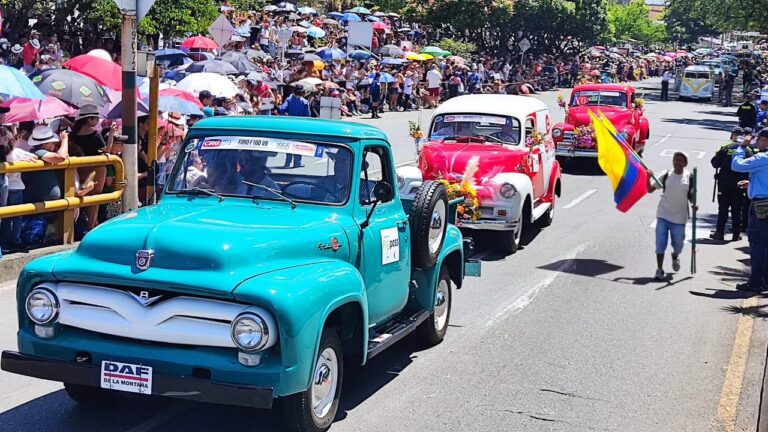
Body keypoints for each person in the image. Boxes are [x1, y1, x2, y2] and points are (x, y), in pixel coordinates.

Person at [647, 152, 696, 280]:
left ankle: (675, 255)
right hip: (663, 214)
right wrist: (648, 177)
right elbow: (650, 190)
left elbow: (691, 197)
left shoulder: (690, 177)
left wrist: (694, 205)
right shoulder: (666, 174)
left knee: (678, 245)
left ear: (685, 163)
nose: (677, 163)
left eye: (680, 161)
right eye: (675, 160)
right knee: (660, 244)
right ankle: (659, 269)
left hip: (679, 218)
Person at [731, 128, 768, 291]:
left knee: (757, 244)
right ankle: (765, 281)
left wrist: (740, 148)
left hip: (761, 205)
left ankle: (755, 282)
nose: (756, 142)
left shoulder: (762, 157)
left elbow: (737, 165)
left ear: (766, 141)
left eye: (759, 139)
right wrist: (752, 184)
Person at [70, 104, 114, 230]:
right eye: (95, 118)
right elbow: (107, 151)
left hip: (78, 171)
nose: (97, 121)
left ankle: (91, 224)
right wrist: (111, 134)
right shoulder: (95, 134)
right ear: (89, 119)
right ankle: (91, 225)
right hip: (96, 170)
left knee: (82, 196)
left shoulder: (73, 135)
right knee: (95, 197)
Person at [711, 127, 751, 241]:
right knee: (737, 208)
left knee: (723, 208)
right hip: (740, 184)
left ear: (731, 136)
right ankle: (736, 234)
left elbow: (715, 163)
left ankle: (719, 232)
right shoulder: (747, 150)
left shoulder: (725, 148)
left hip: (724, 183)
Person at [278, 84, 310, 168]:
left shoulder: (288, 99)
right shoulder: (305, 102)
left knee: (288, 144)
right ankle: (297, 163)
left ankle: (287, 163)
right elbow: (307, 115)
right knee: (298, 144)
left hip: (289, 125)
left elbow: (281, 110)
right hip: (300, 126)